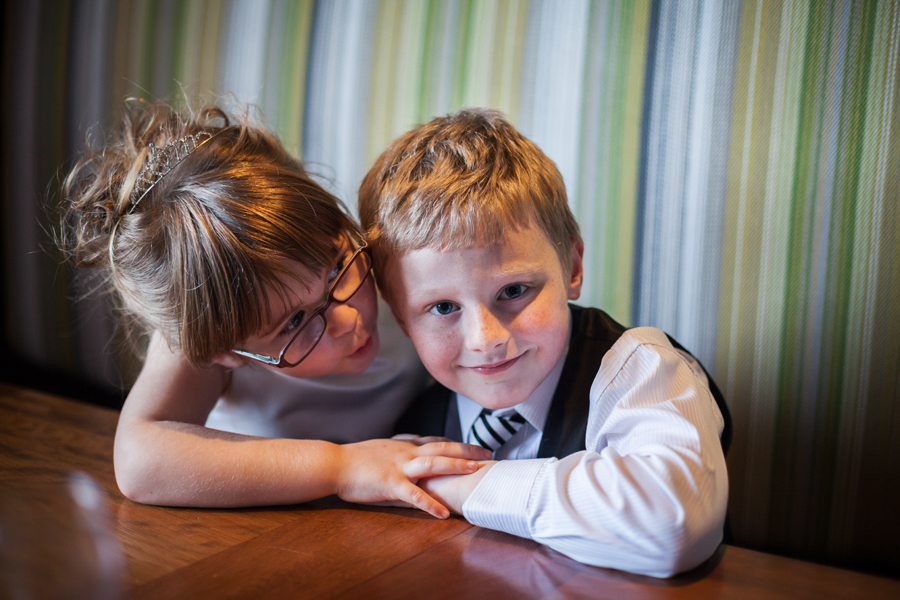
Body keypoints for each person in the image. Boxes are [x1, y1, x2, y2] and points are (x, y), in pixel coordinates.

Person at [57, 101, 490, 518]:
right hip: (278, 531)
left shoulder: (385, 259)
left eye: (337, 268)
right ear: (225, 351)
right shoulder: (206, 327)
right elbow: (140, 462)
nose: (348, 319)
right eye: (296, 322)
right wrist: (342, 468)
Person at [358, 108, 732, 577]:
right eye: (442, 308)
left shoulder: (641, 370)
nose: (486, 340)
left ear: (572, 268)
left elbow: (673, 526)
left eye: (513, 291)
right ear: (400, 316)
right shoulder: (418, 418)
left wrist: (462, 484)